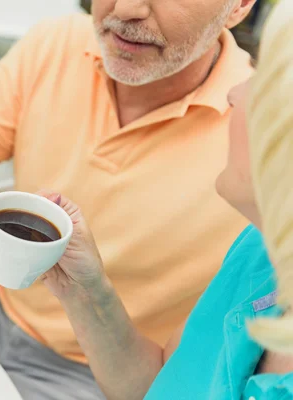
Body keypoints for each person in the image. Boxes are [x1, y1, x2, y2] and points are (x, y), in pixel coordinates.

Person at [0, 0, 256, 398]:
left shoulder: (261, 137)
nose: (126, 8)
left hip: (99, 367)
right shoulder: (54, 43)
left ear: (239, 6)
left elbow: (166, 383)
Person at [39, 1, 293, 398]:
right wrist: (83, 288)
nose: (235, 94)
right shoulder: (258, 252)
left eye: (263, 81)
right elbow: (158, 387)